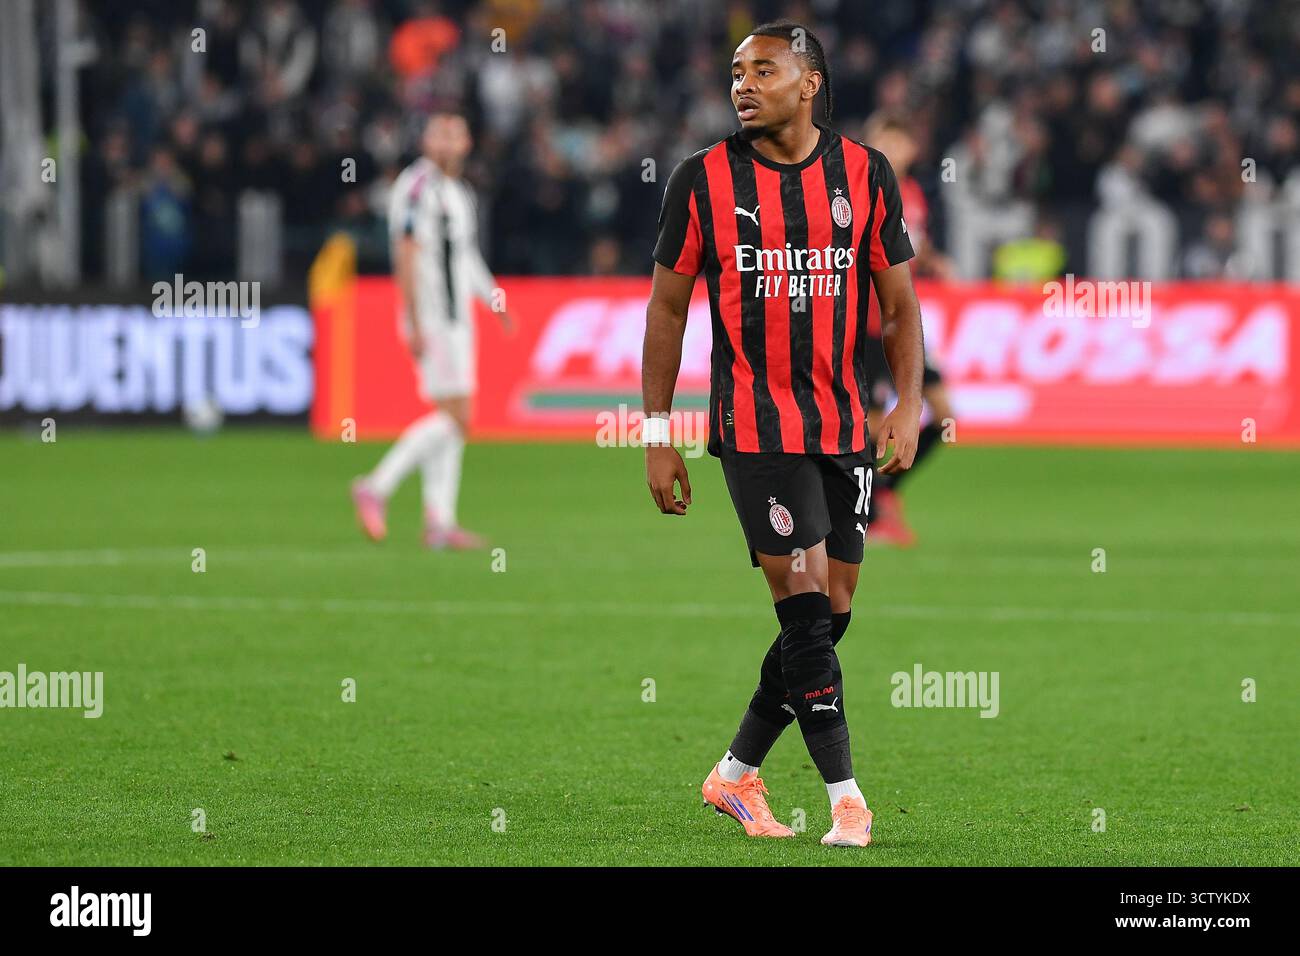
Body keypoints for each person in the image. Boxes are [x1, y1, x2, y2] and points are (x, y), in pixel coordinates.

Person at [641, 21, 925, 847]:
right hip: (754, 427)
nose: (743, 84)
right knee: (802, 612)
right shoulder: (701, 180)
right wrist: (656, 433)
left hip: (841, 426)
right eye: (735, 71)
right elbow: (667, 308)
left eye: (764, 69)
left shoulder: (866, 175)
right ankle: (847, 798)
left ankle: (734, 775)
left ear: (810, 84)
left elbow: (899, 304)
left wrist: (906, 402)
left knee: (831, 612)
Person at [352, 112, 512, 549]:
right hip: (434, 317)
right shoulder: (416, 187)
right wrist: (413, 320)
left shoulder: (458, 193)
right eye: (437, 134)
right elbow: (405, 251)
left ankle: (439, 521)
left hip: (458, 319)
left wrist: (494, 299)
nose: (445, 142)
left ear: (465, 142)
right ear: (425, 141)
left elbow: (465, 256)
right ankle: (376, 486)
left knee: (455, 420)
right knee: (458, 418)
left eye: (453, 134)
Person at [860, 112, 957, 545]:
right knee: (873, 426)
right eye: (884, 142)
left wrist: (936, 259)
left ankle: (884, 494)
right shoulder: (862, 191)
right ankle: (868, 511)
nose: (891, 150)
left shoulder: (914, 193)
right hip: (868, 326)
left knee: (945, 416)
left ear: (911, 149)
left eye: (898, 143)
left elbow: (914, 245)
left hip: (906, 324)